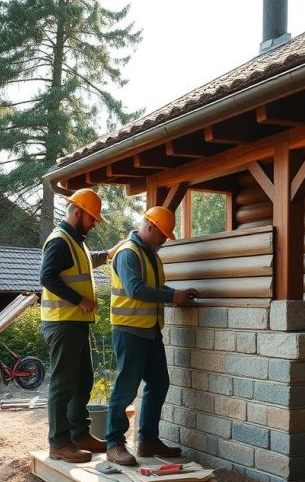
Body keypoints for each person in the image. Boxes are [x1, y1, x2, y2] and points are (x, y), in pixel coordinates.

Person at [104, 206, 198, 465]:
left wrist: (175, 294)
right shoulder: (128, 253)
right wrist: (171, 296)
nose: (164, 240)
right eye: (162, 235)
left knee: (159, 383)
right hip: (129, 331)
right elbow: (135, 289)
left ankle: (147, 441)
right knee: (125, 389)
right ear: (149, 228)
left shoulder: (151, 255)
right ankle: (114, 443)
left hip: (150, 331)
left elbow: (153, 288)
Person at [40, 189, 118, 463]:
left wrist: (106, 254)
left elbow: (83, 262)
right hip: (63, 323)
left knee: (83, 379)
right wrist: (80, 300)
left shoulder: (75, 241)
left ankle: (79, 434)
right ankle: (59, 443)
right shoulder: (60, 241)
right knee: (63, 385)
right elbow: (47, 277)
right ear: (77, 212)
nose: (95, 223)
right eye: (92, 217)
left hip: (75, 323)